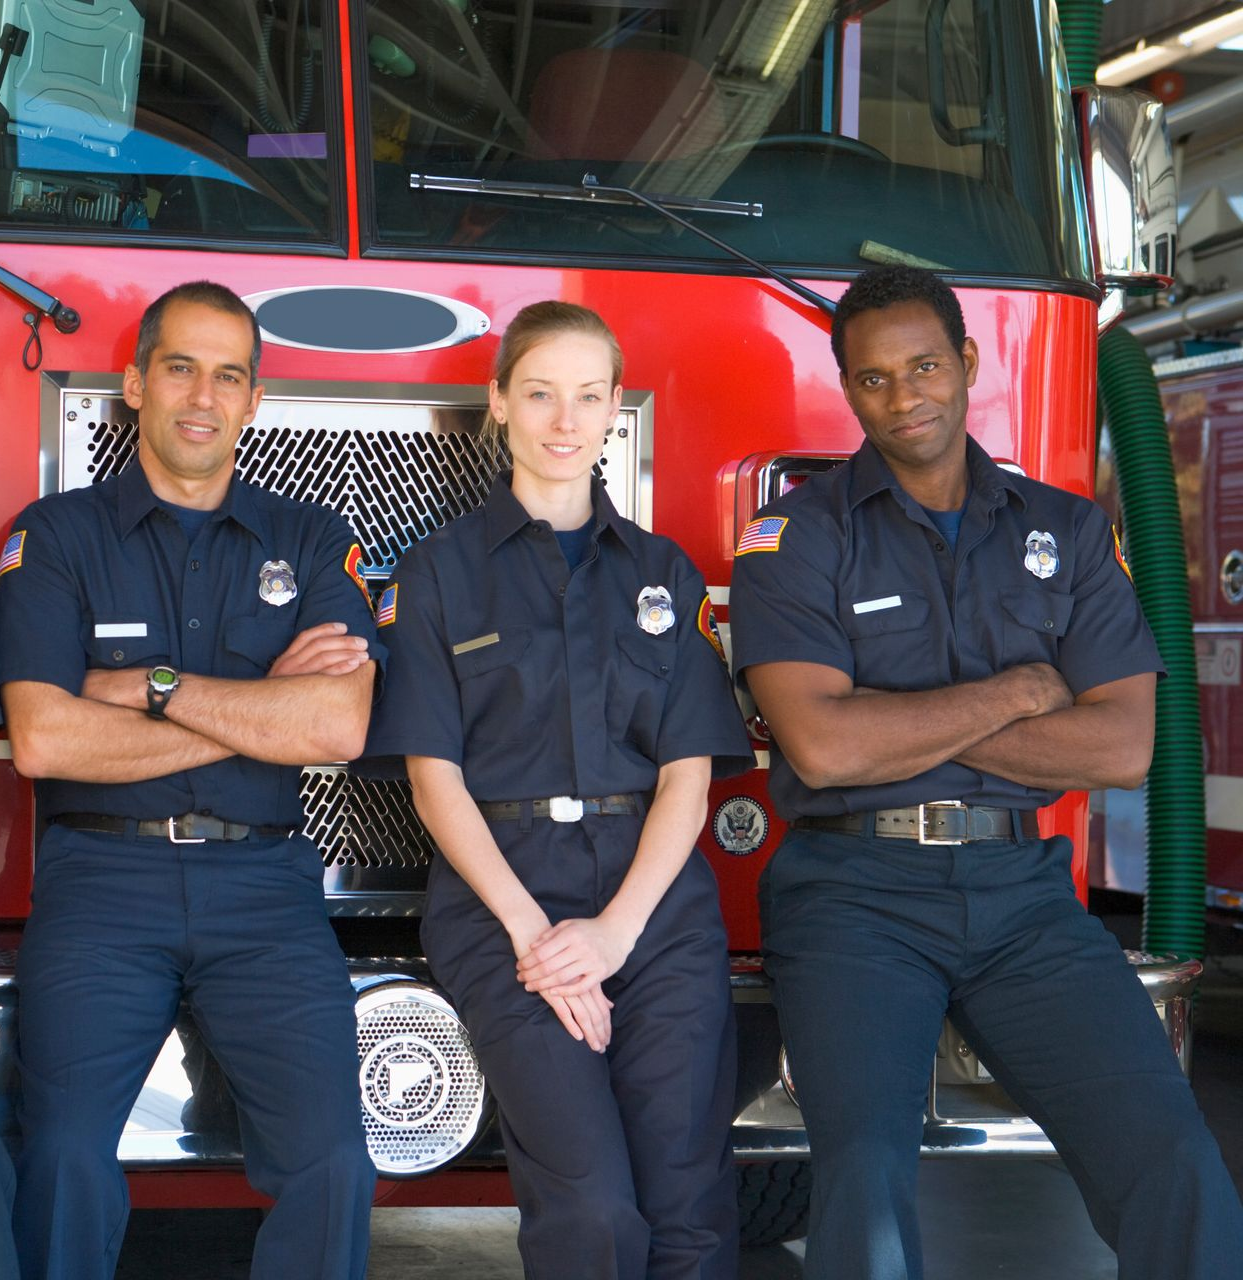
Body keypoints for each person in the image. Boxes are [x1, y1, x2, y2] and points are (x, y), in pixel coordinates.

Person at [729, 265, 1243, 1280]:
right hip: (851, 895)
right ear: (848, 389)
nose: (903, 394)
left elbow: (1120, 746)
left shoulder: (1069, 529)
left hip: (1020, 896)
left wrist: (892, 717)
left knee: (1172, 1155)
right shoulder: (793, 538)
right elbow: (822, 750)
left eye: (924, 364)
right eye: (872, 378)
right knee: (864, 1175)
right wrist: (1015, 693)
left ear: (966, 363)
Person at [0, 280, 381, 1280]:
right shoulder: (55, 533)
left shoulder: (309, 538)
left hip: (265, 894)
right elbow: (42, 737)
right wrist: (259, 710)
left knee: (337, 1161)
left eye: (229, 374)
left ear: (254, 399)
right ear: (134, 384)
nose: (202, 395)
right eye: (179, 367)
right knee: (59, 1156)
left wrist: (150, 689)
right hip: (98, 886)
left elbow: (338, 724)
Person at [364, 300, 753, 1278]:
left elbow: (686, 775)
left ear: (616, 407)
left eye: (587, 395)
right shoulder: (439, 573)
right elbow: (431, 775)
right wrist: (538, 937)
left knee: (688, 1198)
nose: (563, 418)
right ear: (498, 402)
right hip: (505, 903)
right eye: (539, 392)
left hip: (654, 906)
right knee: (588, 1200)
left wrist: (615, 932)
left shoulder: (664, 571)